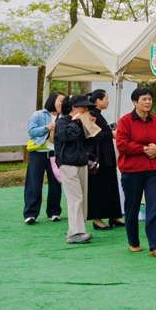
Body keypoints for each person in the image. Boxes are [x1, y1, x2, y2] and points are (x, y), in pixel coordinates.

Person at [116, 87, 156, 258]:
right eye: (144, 99)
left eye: (150, 99)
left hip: (154, 171)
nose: (148, 102)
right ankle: (133, 241)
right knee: (132, 208)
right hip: (132, 171)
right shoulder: (125, 121)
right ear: (135, 102)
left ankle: (155, 247)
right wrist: (143, 149)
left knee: (155, 208)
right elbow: (122, 144)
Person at [54, 94, 99, 245]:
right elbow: (68, 135)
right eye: (83, 107)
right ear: (74, 108)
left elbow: (95, 139)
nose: (86, 109)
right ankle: (75, 233)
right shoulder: (62, 121)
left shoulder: (81, 122)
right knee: (75, 198)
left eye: (87, 107)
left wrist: (90, 125)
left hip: (81, 163)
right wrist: (74, 122)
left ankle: (80, 229)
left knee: (82, 198)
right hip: (67, 163)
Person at [24, 92, 64, 224]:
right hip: (39, 153)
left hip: (55, 154)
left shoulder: (64, 116)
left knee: (55, 183)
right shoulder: (39, 114)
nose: (62, 104)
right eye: (60, 101)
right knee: (34, 183)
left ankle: (54, 212)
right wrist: (47, 128)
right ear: (53, 101)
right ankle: (30, 214)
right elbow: (31, 131)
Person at [86, 89, 123, 231]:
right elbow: (93, 134)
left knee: (110, 186)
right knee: (99, 188)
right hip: (99, 158)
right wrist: (111, 133)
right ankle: (97, 218)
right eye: (106, 98)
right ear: (98, 101)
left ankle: (113, 215)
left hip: (106, 158)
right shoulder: (91, 114)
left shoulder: (98, 114)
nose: (108, 101)